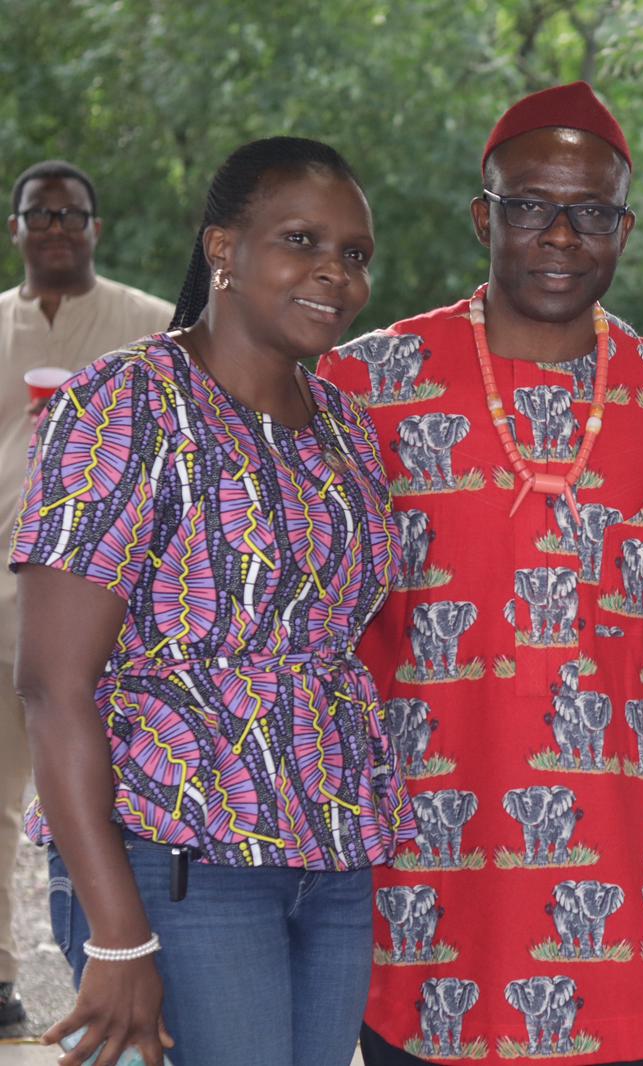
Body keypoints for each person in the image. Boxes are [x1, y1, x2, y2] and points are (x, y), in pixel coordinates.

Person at [316, 81, 643, 1066]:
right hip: (424, 884)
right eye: (530, 205)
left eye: (593, 212)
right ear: (483, 215)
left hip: (619, 886)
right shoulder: (364, 383)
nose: (561, 235)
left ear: (624, 228)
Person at [12, 137, 412, 1066]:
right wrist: (119, 934)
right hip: (175, 863)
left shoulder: (345, 429)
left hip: (332, 863)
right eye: (301, 240)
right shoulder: (126, 403)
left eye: (355, 253)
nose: (336, 272)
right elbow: (52, 688)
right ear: (223, 249)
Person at [1, 160, 173, 1029]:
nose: (57, 228)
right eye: (41, 214)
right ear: (16, 228)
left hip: (113, 617)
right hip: (2, 603)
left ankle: (127, 973)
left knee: (107, 801)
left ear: (96, 228)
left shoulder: (149, 324)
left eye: (73, 215)